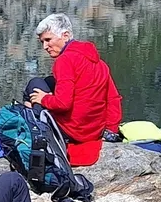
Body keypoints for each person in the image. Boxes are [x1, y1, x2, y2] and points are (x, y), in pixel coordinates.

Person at [23, 13, 123, 168]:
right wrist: (110, 131)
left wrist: (43, 99)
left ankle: (39, 133)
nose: (45, 47)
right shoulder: (99, 62)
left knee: (34, 84)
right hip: (94, 130)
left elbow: (63, 104)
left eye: (48, 40)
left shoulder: (65, 60)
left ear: (65, 35)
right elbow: (113, 98)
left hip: (73, 131)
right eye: (42, 42)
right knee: (49, 81)